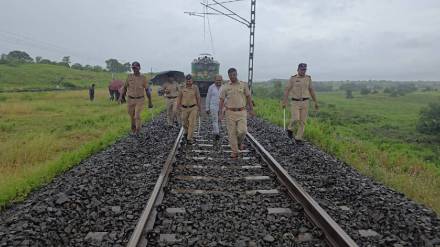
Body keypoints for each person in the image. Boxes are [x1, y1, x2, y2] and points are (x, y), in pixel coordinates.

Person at [219, 68, 255, 159]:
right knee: (232, 133)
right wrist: (220, 113)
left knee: (242, 131)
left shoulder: (243, 85)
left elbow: (249, 97)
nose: (233, 77)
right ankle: (234, 151)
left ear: (236, 74)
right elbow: (222, 100)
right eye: (231, 75)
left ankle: (239, 142)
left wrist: (251, 109)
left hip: (242, 111)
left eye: (234, 75)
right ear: (229, 76)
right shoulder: (225, 87)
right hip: (230, 112)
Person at [282, 63, 319, 144]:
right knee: (296, 118)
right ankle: (290, 129)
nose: (303, 71)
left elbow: (311, 90)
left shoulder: (308, 78)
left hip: (305, 102)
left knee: (303, 121)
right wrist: (284, 102)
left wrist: (315, 102)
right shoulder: (293, 78)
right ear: (298, 69)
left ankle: (298, 138)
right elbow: (287, 90)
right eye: (302, 69)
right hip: (295, 102)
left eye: (305, 69)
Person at [119, 61, 153, 134]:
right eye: (133, 68)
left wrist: (150, 101)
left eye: (136, 68)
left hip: (140, 100)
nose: (134, 69)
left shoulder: (143, 78)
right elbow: (125, 87)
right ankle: (133, 128)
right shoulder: (129, 77)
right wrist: (122, 97)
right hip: (130, 99)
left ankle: (138, 130)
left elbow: (147, 90)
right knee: (131, 116)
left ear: (139, 68)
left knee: (137, 115)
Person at [177, 74, 201, 145]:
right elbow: (179, 98)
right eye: (187, 80)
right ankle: (187, 132)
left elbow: (198, 97)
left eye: (190, 80)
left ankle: (189, 138)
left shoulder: (195, 88)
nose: (189, 82)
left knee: (192, 123)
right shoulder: (182, 88)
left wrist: (199, 108)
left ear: (192, 80)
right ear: (185, 81)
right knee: (184, 123)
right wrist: (178, 107)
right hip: (184, 108)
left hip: (193, 108)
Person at [206, 75, 223, 140]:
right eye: (217, 80)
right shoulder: (211, 87)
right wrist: (207, 108)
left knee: (220, 120)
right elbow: (208, 97)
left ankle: (217, 130)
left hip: (222, 106)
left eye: (220, 80)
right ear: (214, 80)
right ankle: (217, 133)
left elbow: (227, 97)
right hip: (213, 106)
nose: (218, 81)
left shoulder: (224, 87)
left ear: (222, 80)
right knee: (215, 119)